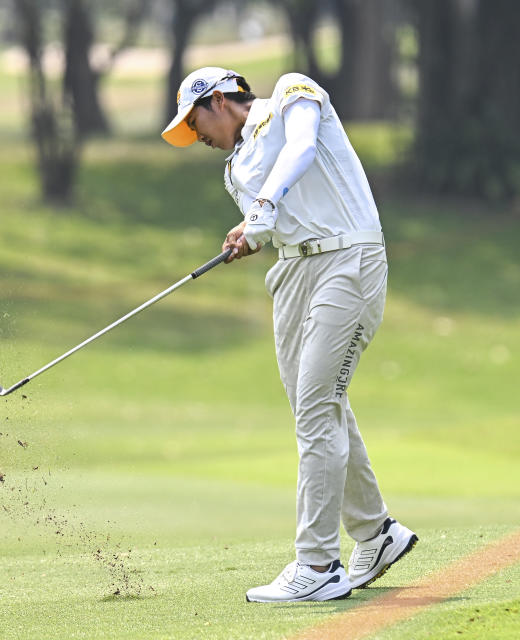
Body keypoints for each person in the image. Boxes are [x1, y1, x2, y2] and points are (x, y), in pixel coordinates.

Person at [161, 68, 418, 603]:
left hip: (348, 257)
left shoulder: (291, 94)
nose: (197, 137)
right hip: (293, 273)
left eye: (195, 122)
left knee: (318, 407)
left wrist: (263, 208)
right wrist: (252, 234)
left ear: (218, 100)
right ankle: (376, 533)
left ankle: (318, 564)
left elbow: (300, 149)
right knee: (315, 407)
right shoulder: (234, 169)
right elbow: (274, 223)